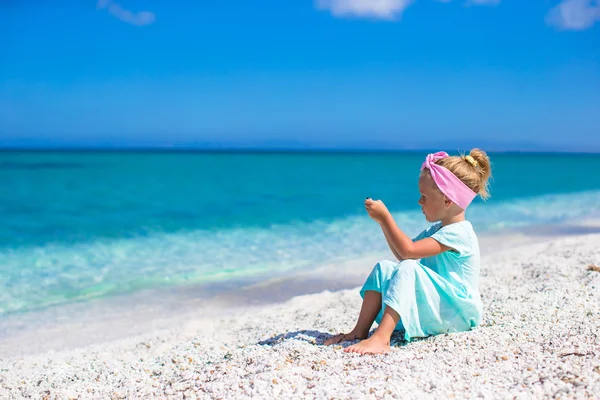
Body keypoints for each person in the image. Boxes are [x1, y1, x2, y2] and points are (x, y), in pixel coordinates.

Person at [324, 149, 492, 355]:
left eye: (424, 197)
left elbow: (408, 253)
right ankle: (359, 331)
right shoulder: (439, 230)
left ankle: (382, 338)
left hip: (458, 313)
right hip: (440, 305)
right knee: (385, 268)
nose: (419, 202)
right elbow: (402, 252)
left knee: (409, 268)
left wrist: (386, 218)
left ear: (448, 200)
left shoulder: (460, 233)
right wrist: (382, 223)